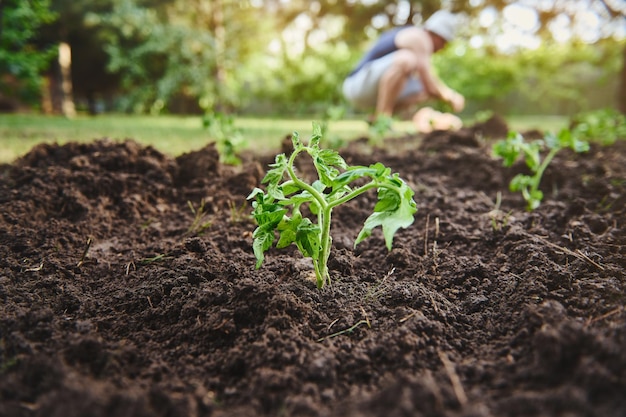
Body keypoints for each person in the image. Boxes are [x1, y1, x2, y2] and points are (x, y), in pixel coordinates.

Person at [342, 10, 465, 126]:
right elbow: (429, 82)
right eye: (444, 43)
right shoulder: (420, 37)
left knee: (422, 90)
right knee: (407, 59)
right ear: (439, 36)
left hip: (371, 90)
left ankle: (377, 118)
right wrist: (451, 97)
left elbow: (428, 89)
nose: (442, 48)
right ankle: (383, 119)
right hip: (357, 85)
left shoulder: (418, 41)